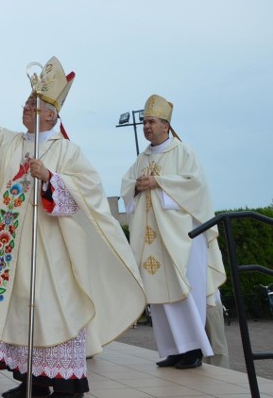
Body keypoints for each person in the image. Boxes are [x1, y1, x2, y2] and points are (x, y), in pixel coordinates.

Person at [0, 58, 145, 398]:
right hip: (13, 247)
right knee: (22, 305)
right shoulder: (9, 142)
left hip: (53, 249)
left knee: (53, 307)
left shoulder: (68, 151)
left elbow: (88, 195)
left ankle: (68, 384)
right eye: (27, 103)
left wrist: (50, 179)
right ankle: (32, 381)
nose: (28, 108)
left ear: (52, 115)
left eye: (35, 105)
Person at [121, 94, 226, 370]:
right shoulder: (142, 158)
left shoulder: (183, 152)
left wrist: (158, 182)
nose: (146, 127)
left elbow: (196, 187)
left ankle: (193, 350)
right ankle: (174, 349)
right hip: (153, 237)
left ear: (166, 125)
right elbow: (127, 185)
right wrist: (137, 186)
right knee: (160, 296)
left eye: (151, 122)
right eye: (144, 122)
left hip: (183, 239)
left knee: (184, 292)